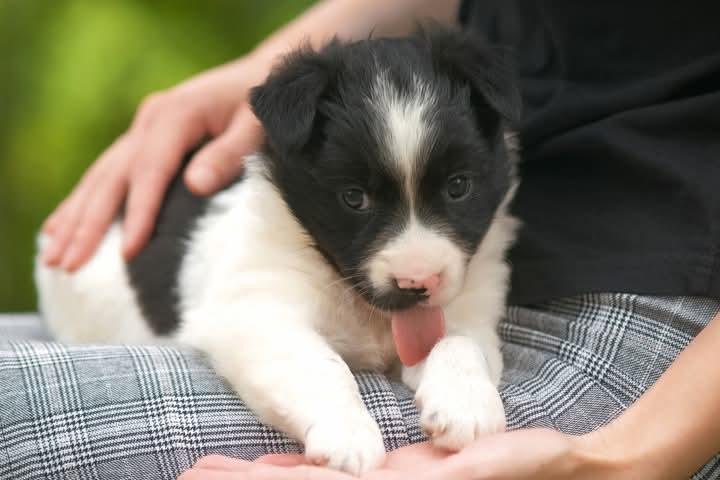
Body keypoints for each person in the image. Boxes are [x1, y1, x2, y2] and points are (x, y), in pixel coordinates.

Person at [40, 0, 720, 478]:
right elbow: (248, 323)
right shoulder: (272, 235)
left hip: (658, 334)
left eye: (453, 191)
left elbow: (460, 344)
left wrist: (634, 456)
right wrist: (330, 406)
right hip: (104, 295)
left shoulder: (475, 251)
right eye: (357, 199)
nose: (417, 261)